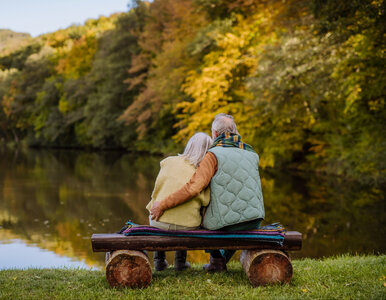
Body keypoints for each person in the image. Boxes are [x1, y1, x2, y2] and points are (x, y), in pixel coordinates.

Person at [150, 113, 265, 273]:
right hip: (256, 219)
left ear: (215, 134)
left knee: (206, 218)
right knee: (233, 217)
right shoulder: (252, 154)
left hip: (228, 224)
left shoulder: (213, 155)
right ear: (235, 131)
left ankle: (217, 261)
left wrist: (163, 204)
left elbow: (193, 188)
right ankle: (220, 261)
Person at [146, 132, 212, 271]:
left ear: (189, 146)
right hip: (187, 226)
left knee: (158, 215)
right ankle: (180, 262)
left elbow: (157, 190)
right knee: (190, 215)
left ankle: (159, 261)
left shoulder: (168, 161)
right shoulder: (202, 173)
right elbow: (205, 201)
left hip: (158, 220)